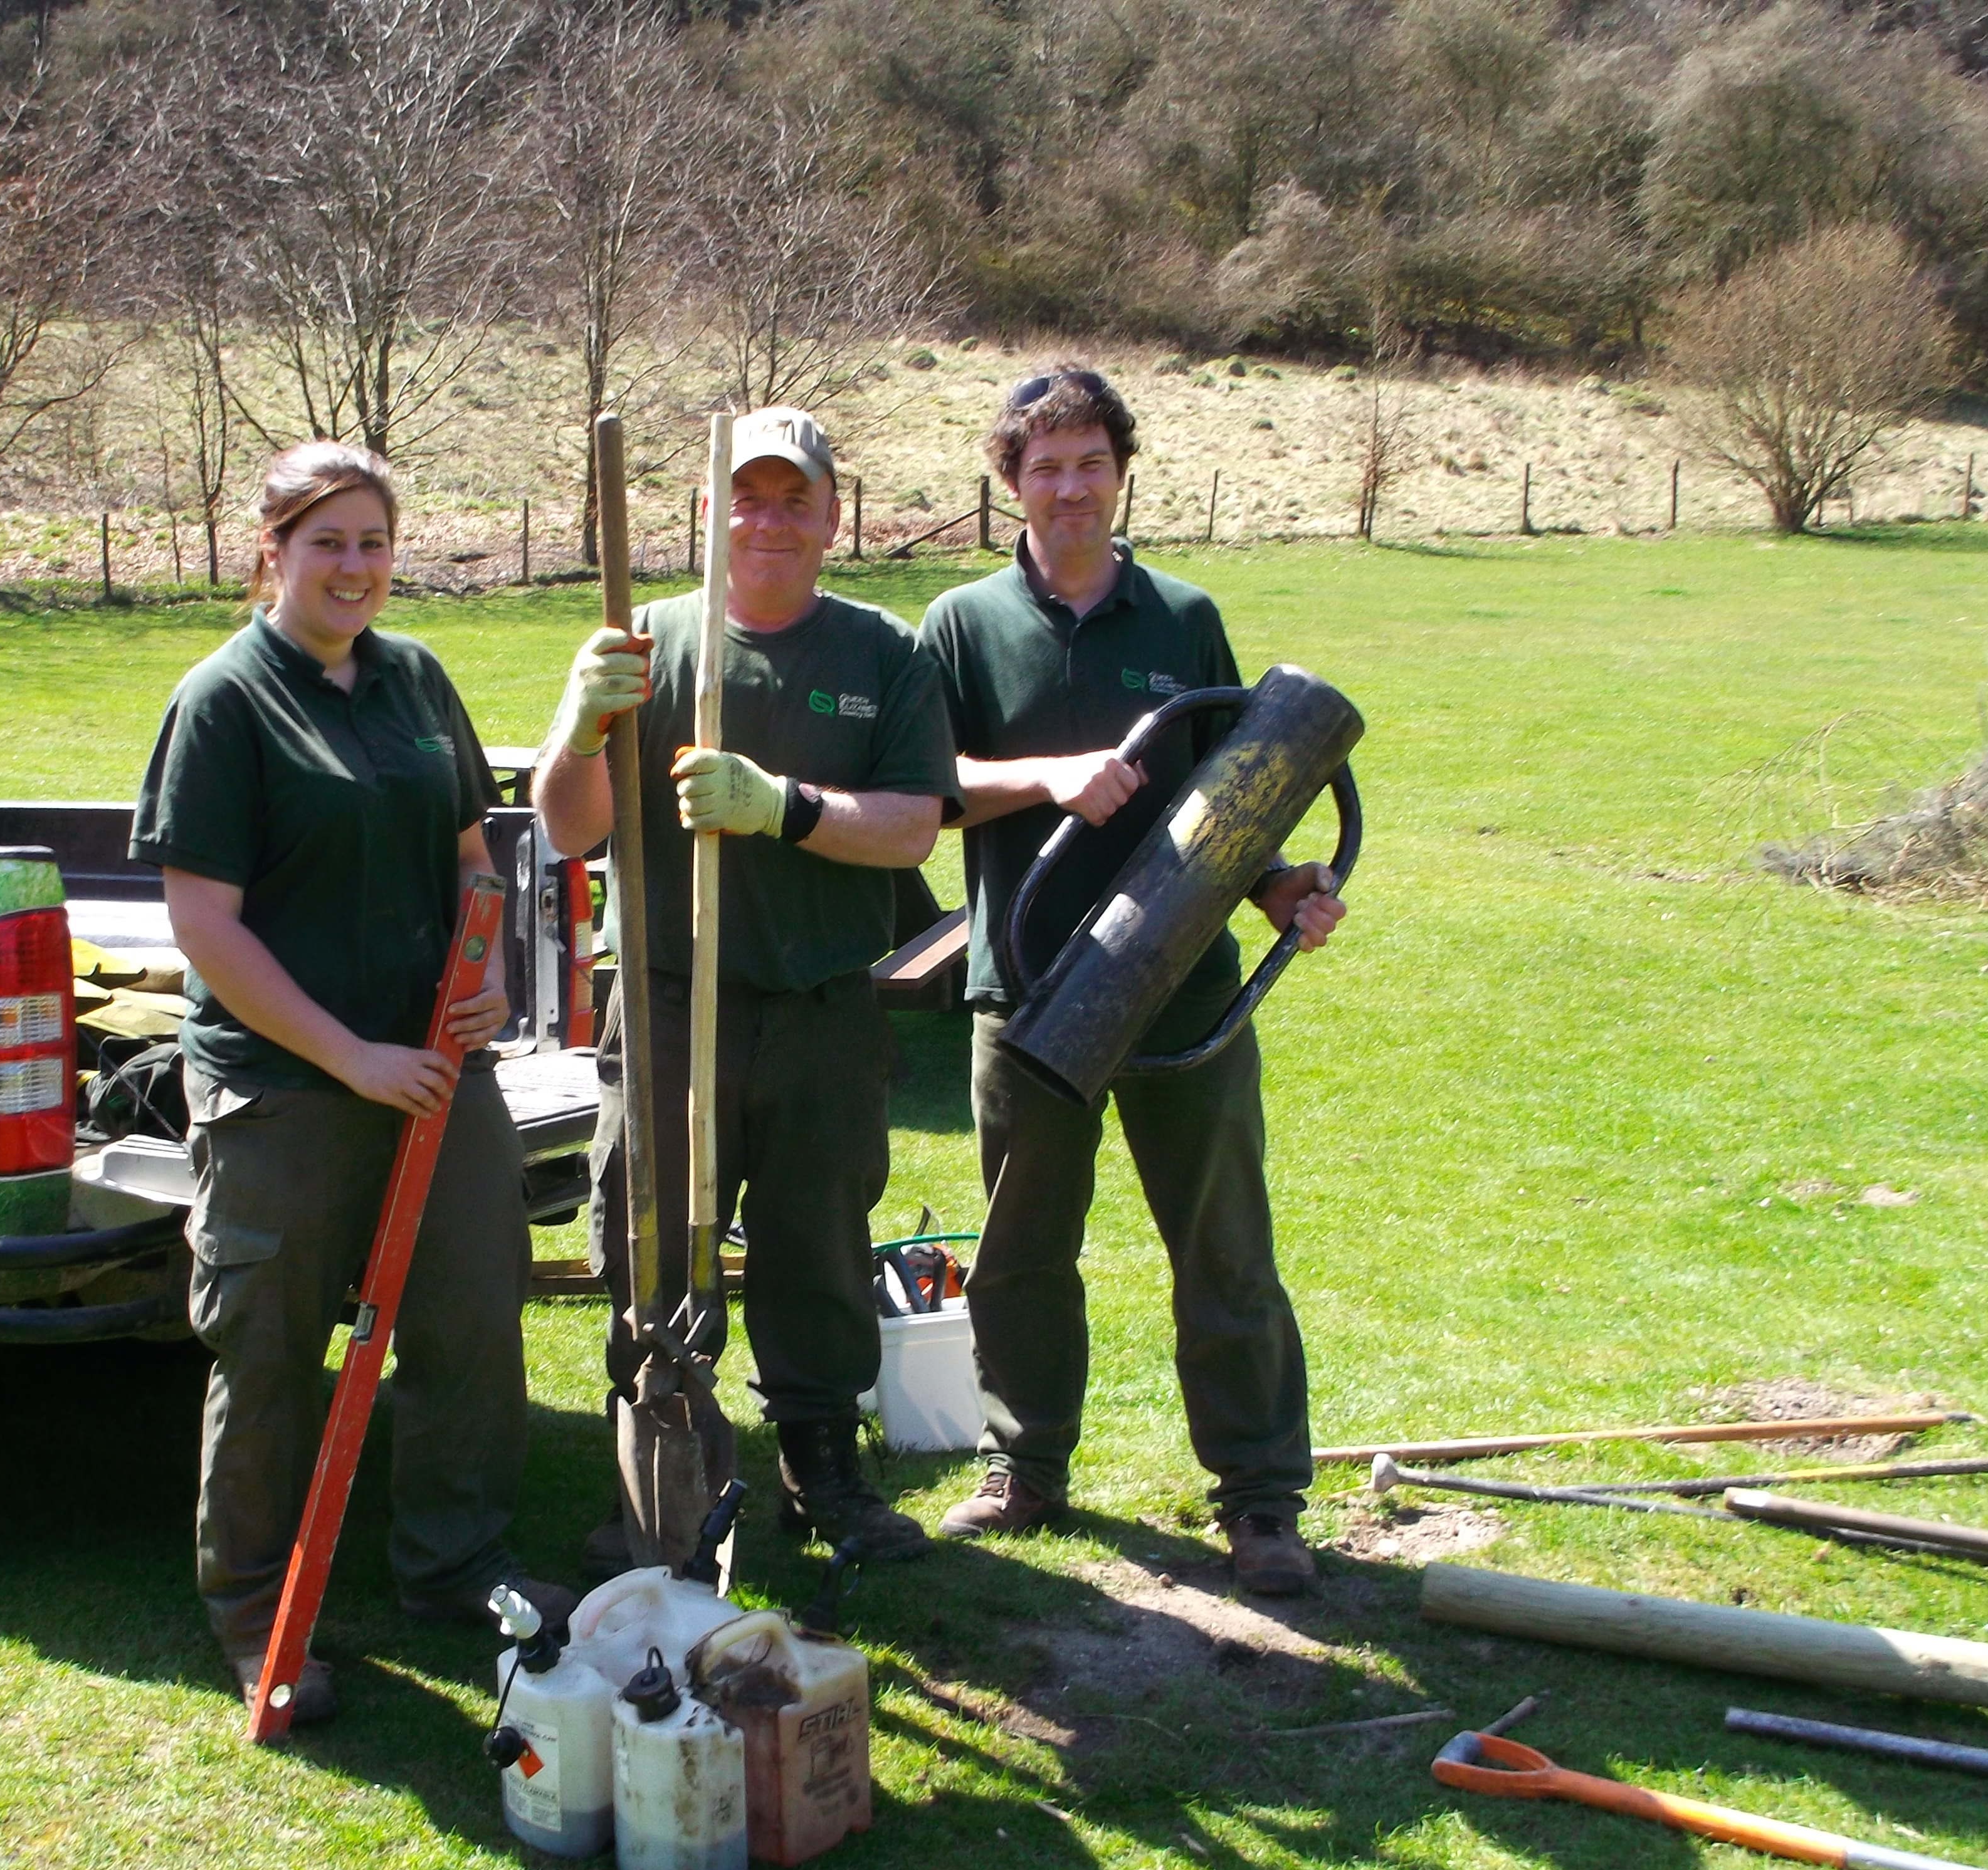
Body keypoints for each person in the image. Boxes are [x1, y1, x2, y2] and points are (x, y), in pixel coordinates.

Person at [132, 440, 574, 1724]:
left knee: (469, 1318)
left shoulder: (415, 678)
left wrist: (489, 978)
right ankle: (255, 1609)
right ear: (272, 551)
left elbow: (472, 854)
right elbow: (206, 927)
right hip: (288, 1088)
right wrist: (351, 1057)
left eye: (373, 542)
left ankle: (456, 1568)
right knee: (269, 1349)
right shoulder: (224, 702)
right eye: (326, 541)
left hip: (435, 1069)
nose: (353, 566)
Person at [915, 367, 1347, 1596]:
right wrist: (1048, 778)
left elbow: (1235, 797)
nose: (1070, 488)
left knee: (1223, 1248)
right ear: (1010, 481)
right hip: (1027, 989)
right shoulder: (961, 624)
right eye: (1045, 466)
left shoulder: (1183, 618)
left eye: (1090, 463)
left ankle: (1260, 1501)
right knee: (1020, 1250)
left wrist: (1282, 890)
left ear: (1119, 474)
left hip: (1185, 989)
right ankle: (1023, 1466)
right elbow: (924, 787)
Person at [532, 406, 959, 1567]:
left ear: (833, 517)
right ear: (710, 514)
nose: (769, 520)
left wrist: (783, 808)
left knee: (818, 1242)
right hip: (669, 1001)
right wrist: (582, 728)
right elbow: (569, 829)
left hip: (821, 1004)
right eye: (748, 497)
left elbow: (913, 829)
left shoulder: (882, 654)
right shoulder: (645, 640)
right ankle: (659, 1479)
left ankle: (822, 1473)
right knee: (651, 1239)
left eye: (794, 499)